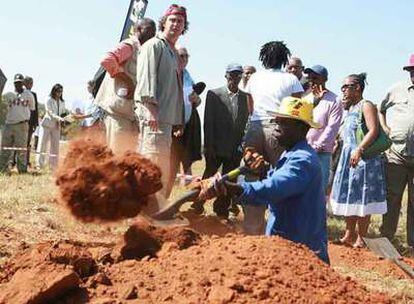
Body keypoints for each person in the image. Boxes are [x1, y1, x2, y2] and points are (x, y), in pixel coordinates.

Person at [197, 97, 329, 264]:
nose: (276, 127)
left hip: (301, 252)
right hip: (287, 244)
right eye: (276, 121)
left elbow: (274, 189)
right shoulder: (290, 154)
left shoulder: (303, 160)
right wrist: (264, 171)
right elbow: (279, 181)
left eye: (283, 123)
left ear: (301, 128)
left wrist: (231, 189)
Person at [241, 41, 304, 234]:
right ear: (284, 59)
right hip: (279, 129)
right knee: (282, 175)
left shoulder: (254, 78)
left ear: (264, 58)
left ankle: (252, 227)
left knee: (251, 174)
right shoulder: (291, 79)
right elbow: (297, 108)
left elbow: (250, 107)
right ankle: (280, 227)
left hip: (255, 127)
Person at [135, 4, 188, 198]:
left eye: (180, 21)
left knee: (160, 166)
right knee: (151, 163)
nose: (175, 24)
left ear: (184, 27)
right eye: (172, 20)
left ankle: (153, 208)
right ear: (163, 22)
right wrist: (150, 109)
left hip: (165, 119)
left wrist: (178, 119)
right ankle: (146, 210)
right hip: (154, 116)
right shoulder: (154, 45)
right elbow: (146, 80)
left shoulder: (172, 51)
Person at [330, 73, 387, 248]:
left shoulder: (366, 105)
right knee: (350, 195)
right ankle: (348, 235)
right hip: (349, 158)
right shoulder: (350, 108)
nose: (343, 91)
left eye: (347, 87)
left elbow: (373, 130)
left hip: (364, 160)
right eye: (342, 88)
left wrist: (359, 149)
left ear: (358, 88)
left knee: (363, 197)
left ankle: (361, 238)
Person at [95, 17, 156, 153]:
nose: (152, 35)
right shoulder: (129, 45)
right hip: (117, 113)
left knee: (127, 156)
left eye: (154, 32)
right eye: (149, 31)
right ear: (138, 30)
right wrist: (127, 81)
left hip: (130, 114)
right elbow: (107, 60)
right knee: (117, 154)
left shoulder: (144, 52)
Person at [197, 63, 249, 219]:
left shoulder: (245, 98)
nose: (235, 78)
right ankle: (197, 205)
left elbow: (245, 123)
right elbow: (208, 122)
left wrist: (242, 146)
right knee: (208, 177)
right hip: (216, 147)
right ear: (226, 75)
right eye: (232, 75)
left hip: (234, 149)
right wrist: (208, 146)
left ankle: (221, 210)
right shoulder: (214, 94)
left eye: (238, 75)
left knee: (229, 179)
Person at [379, 54, 414, 251]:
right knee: (392, 197)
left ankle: (412, 243)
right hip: (396, 154)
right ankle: (386, 237)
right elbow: (380, 108)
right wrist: (385, 128)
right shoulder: (397, 89)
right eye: (412, 72)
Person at [166, 46, 202, 197]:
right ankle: (162, 200)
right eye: (181, 55)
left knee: (187, 164)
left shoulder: (188, 76)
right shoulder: (169, 73)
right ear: (174, 56)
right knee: (170, 166)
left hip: (188, 127)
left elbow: (195, 101)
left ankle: (186, 201)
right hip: (171, 126)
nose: (184, 59)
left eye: (186, 56)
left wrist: (197, 99)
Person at [304, 65, 343, 193]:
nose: (311, 80)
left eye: (315, 77)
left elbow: (332, 128)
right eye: (309, 77)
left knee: (318, 192)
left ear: (324, 79)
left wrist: (317, 146)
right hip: (303, 150)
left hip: (321, 153)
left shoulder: (335, 100)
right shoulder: (305, 98)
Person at [0, 74, 35, 173]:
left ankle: (22, 170)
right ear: (13, 83)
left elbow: (32, 110)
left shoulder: (29, 95)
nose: (18, 84)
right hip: (8, 125)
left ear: (23, 83)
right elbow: (3, 109)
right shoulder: (8, 94)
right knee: (5, 148)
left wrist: (30, 125)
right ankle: (2, 169)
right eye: (16, 82)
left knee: (21, 150)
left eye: (20, 82)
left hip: (22, 125)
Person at [36, 84, 68, 171]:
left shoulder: (62, 102)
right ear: (54, 91)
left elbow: (63, 113)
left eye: (61, 91)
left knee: (55, 146)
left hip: (57, 126)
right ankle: (39, 164)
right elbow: (50, 112)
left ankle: (53, 166)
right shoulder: (48, 99)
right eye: (58, 91)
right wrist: (59, 118)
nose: (59, 93)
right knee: (42, 144)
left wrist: (66, 119)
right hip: (47, 124)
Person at [23, 76, 39, 167]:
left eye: (31, 83)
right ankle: (14, 161)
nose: (30, 84)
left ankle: (27, 161)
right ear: (24, 83)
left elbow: (35, 110)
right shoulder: (20, 93)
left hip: (30, 122)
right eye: (28, 82)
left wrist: (35, 123)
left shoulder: (34, 94)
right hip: (21, 120)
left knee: (28, 142)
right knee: (18, 142)